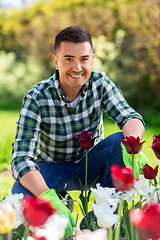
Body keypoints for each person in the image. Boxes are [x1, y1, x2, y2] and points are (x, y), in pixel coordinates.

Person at [11, 26, 148, 238]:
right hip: (52, 171)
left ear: (92, 59)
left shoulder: (99, 84)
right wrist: (47, 196)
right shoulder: (37, 97)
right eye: (68, 59)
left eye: (84, 59)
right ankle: (56, 226)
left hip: (90, 165)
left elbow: (129, 116)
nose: (77, 67)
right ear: (56, 61)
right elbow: (21, 158)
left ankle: (105, 226)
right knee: (19, 199)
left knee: (120, 142)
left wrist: (133, 144)